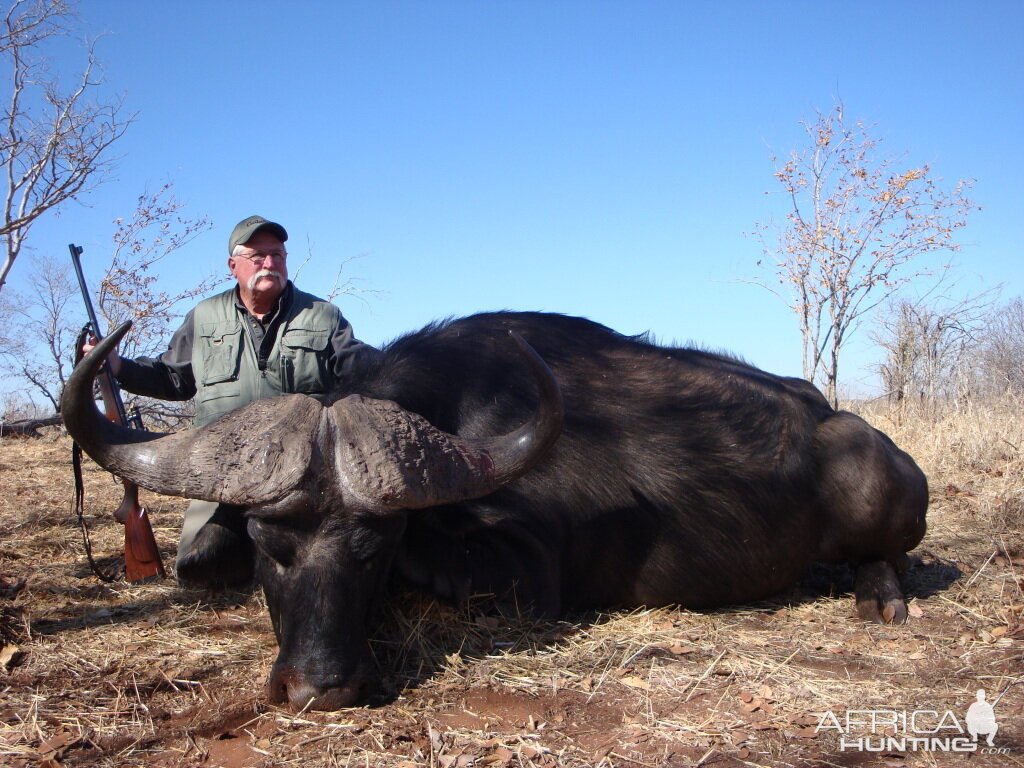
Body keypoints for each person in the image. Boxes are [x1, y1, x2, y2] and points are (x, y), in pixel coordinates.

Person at [83, 215, 376, 588]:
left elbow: (365, 369)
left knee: (322, 565)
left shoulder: (323, 315)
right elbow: (172, 379)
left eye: (277, 255)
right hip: (222, 469)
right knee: (199, 571)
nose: (270, 263)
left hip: (303, 471)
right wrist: (117, 366)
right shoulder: (203, 317)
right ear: (233, 265)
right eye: (257, 256)